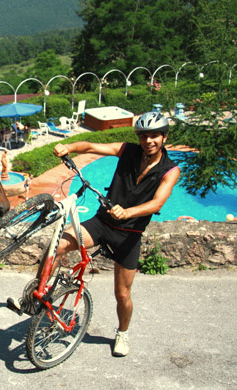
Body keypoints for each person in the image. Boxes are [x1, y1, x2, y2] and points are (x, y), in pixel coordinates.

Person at [50, 111, 180, 357]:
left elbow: (157, 204)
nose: (148, 141)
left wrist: (129, 212)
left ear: (164, 137)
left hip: (129, 235)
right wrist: (69, 146)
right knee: (57, 245)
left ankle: (122, 333)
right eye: (144, 136)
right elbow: (90, 146)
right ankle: (41, 293)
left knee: (122, 294)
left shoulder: (170, 170)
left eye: (154, 136)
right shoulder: (127, 150)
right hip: (102, 222)